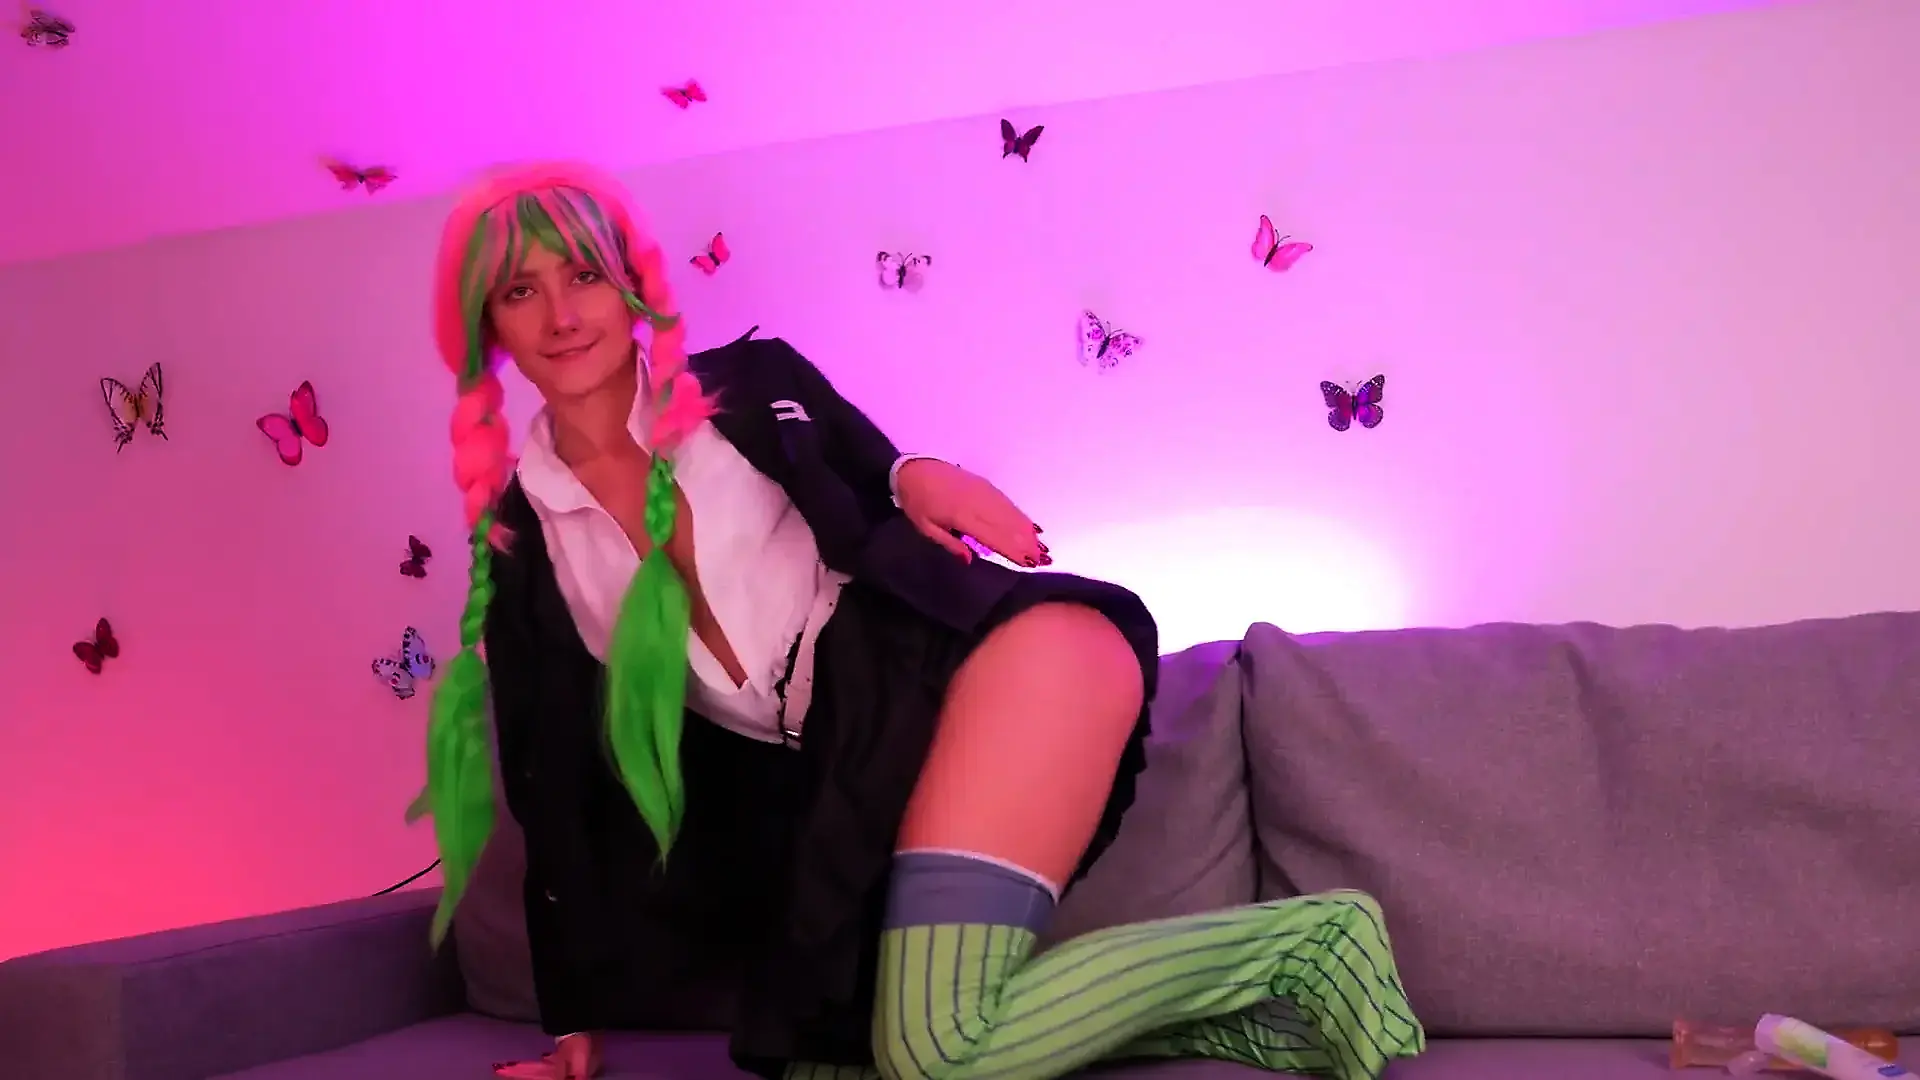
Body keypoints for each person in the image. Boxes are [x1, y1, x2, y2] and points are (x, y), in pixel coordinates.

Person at [418, 161, 1426, 1080]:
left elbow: (878, 467)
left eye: (584, 276)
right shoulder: (521, 544)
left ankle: (1308, 943)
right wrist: (571, 1022)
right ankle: (1257, 1009)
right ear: (488, 325)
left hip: (985, 665)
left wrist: (920, 473)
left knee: (933, 1050)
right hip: (857, 767)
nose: (562, 315)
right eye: (521, 291)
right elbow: (551, 785)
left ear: (629, 287)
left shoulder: (749, 385)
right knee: (830, 1065)